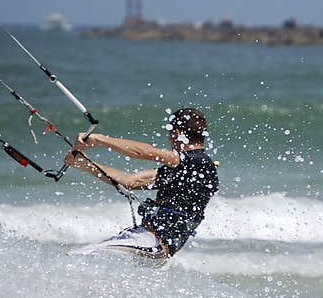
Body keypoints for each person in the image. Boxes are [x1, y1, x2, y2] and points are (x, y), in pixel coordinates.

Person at [63, 107, 219, 258]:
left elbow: (146, 152)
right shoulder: (187, 169)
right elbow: (130, 182)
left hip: (152, 244)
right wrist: (85, 164)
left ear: (177, 133)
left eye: (170, 134)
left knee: (78, 258)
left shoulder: (198, 161)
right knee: (78, 257)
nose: (169, 139)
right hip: (150, 245)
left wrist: (99, 139)